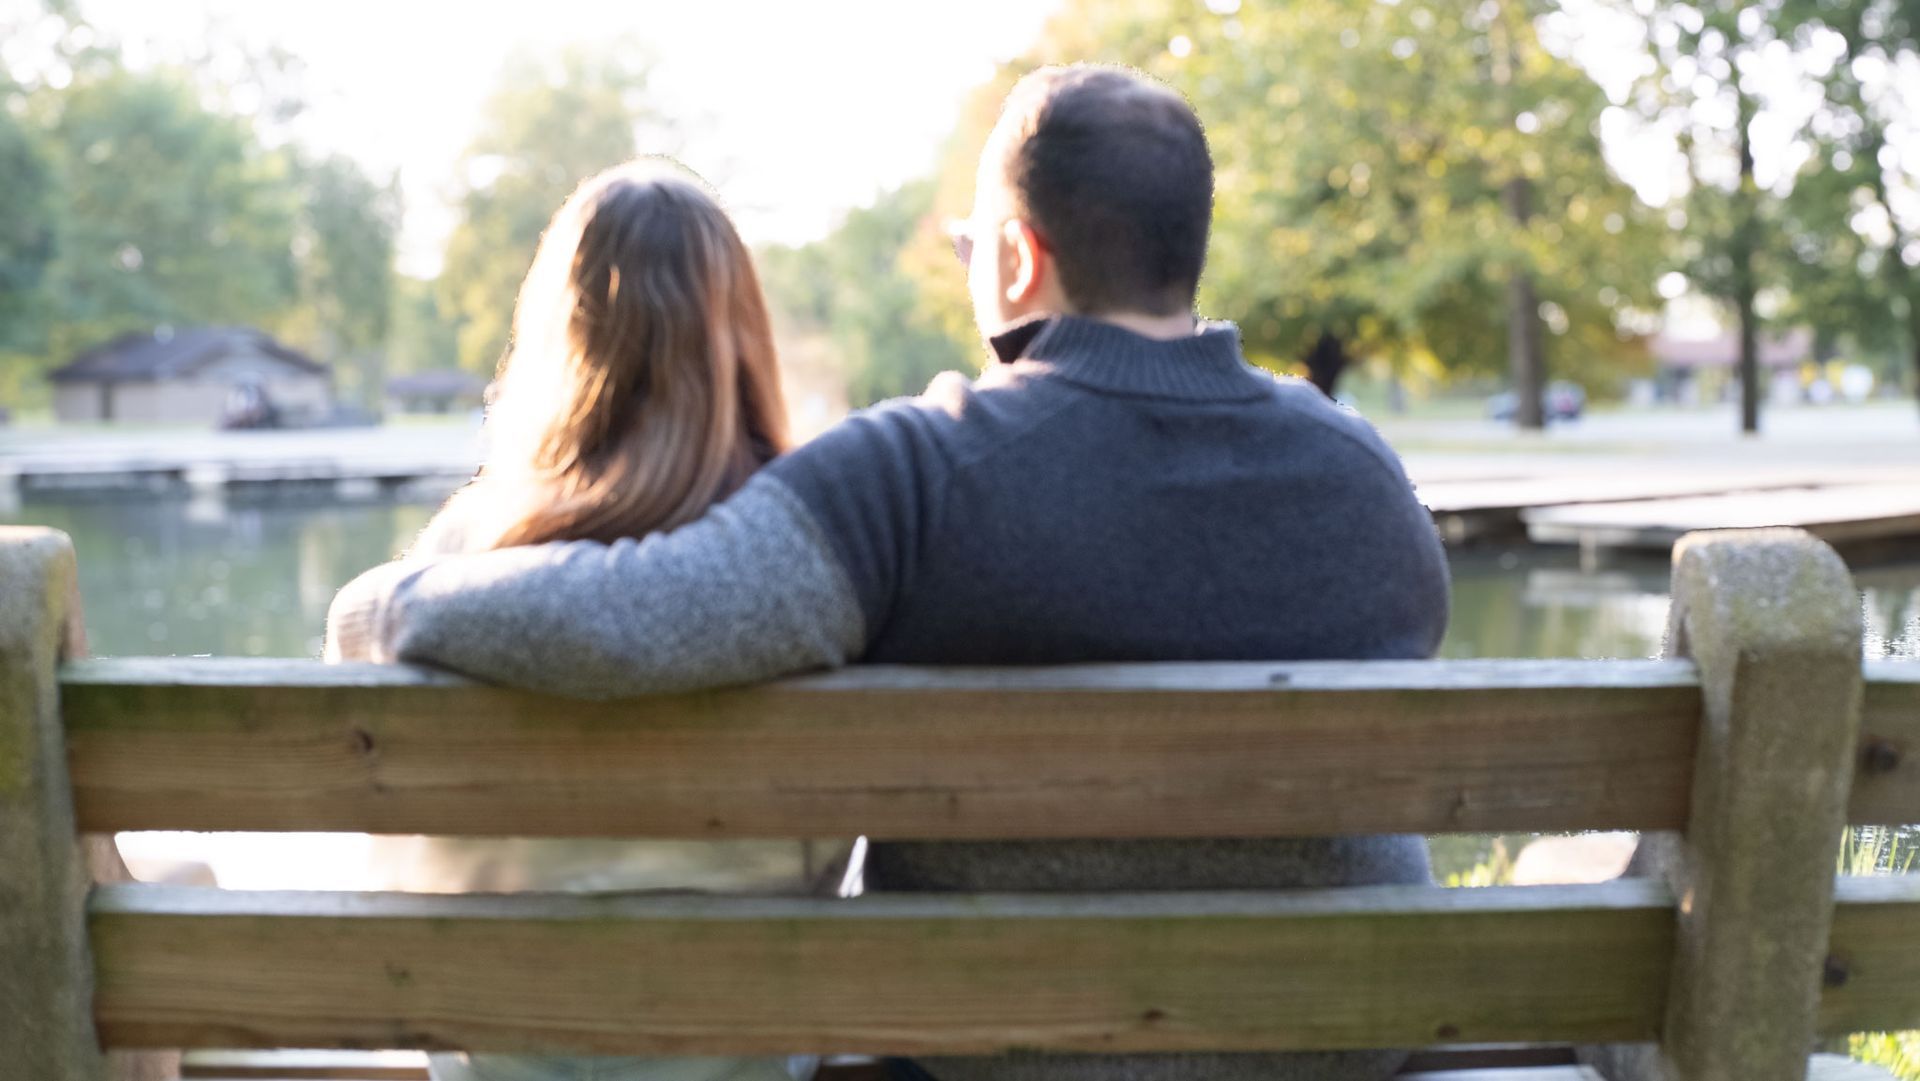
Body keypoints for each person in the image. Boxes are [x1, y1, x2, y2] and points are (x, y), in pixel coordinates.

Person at [330, 65, 1450, 1081]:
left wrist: (391, 600)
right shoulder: (1359, 472)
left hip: (1018, 1056)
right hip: (1337, 1040)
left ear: (1017, 258)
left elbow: (629, 622)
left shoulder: (923, 471)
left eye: (975, 246)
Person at [326, 159, 858, 1081]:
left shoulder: (459, 551)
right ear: (739, 336)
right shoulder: (803, 561)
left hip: (502, 1058)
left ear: (558, 337)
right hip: (746, 1056)